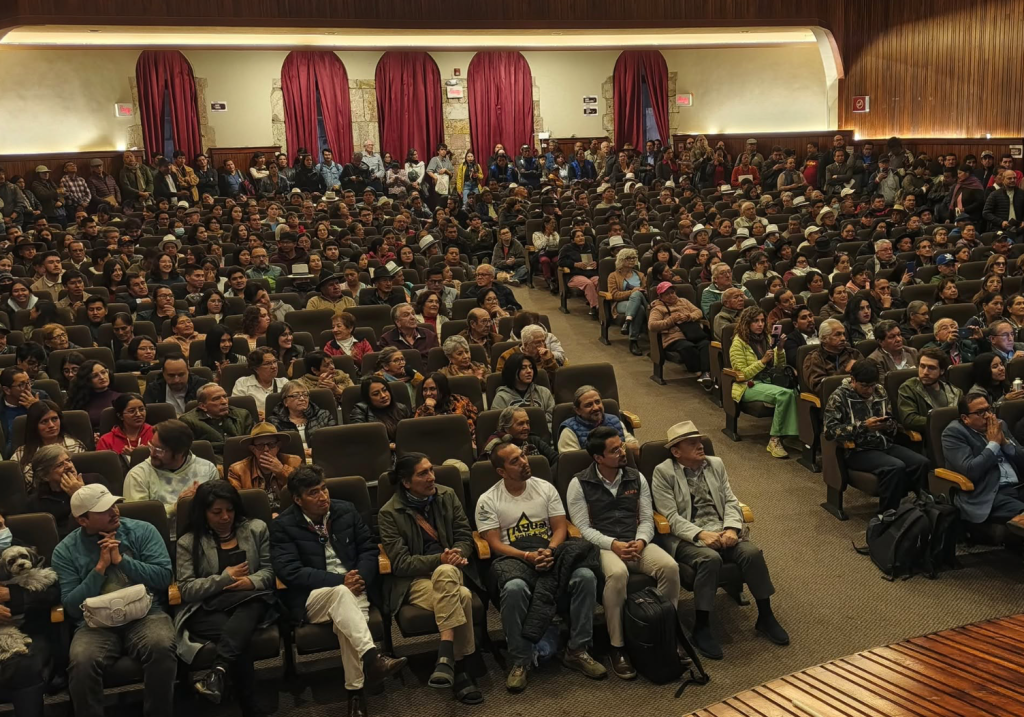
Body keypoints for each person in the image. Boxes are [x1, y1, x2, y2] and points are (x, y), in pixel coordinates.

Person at [270, 465, 407, 716]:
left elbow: (368, 549)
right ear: (298, 500)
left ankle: (356, 691)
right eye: (314, 493)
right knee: (343, 597)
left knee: (347, 623)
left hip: (355, 588)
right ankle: (372, 659)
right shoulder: (284, 525)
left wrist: (359, 578)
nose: (323, 496)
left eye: (324, 489)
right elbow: (289, 571)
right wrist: (339, 580)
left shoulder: (345, 510)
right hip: (313, 597)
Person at [476, 440, 605, 692]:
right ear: (501, 472)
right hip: (513, 559)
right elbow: (493, 543)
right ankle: (520, 660)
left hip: (550, 554)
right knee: (513, 589)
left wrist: (551, 550)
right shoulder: (488, 499)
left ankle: (577, 650)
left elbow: (559, 527)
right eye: (515, 461)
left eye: (522, 456)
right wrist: (526, 556)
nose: (524, 461)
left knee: (585, 576)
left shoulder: (545, 487)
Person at [651, 420, 787, 660]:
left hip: (723, 530)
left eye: (700, 441)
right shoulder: (663, 472)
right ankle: (702, 626)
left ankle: (765, 616)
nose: (700, 446)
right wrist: (701, 534)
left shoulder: (715, 464)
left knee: (752, 553)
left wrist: (732, 529)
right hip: (688, 538)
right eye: (692, 443)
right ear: (676, 451)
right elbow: (670, 517)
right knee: (709, 559)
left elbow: (731, 501)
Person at [52, 484, 176, 717]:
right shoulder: (65, 551)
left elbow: (163, 577)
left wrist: (121, 560)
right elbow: (70, 606)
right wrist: (99, 569)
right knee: (82, 662)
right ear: (83, 520)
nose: (114, 511)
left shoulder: (143, 531)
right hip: (94, 624)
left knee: (160, 645)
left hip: (145, 613)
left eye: (113, 504)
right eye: (103, 509)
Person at [567, 426, 679, 678]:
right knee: (617, 574)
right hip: (603, 547)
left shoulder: (636, 477)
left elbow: (648, 519)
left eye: (621, 446)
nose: (622, 452)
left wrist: (640, 541)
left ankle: (665, 634)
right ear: (598, 458)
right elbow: (583, 529)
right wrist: (613, 544)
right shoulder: (579, 483)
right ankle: (617, 647)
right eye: (614, 450)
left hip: (635, 542)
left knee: (669, 567)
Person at [377, 453, 483, 703]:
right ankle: (460, 667)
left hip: (452, 571)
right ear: (406, 482)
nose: (431, 476)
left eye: (431, 470)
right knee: (463, 596)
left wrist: (457, 554)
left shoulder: (447, 495)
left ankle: (446, 657)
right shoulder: (389, 513)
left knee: (447, 574)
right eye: (423, 473)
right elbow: (401, 563)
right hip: (414, 582)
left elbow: (464, 536)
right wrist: (440, 560)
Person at [174, 480, 276, 716]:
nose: (225, 517)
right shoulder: (188, 542)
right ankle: (249, 706)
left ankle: (218, 672)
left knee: (250, 606)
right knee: (240, 637)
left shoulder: (256, 529)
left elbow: (270, 571)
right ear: (203, 512)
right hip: (208, 609)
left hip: (250, 599)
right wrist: (224, 578)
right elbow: (187, 589)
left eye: (229, 510)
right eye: (217, 512)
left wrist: (250, 581)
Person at [824, 360, 929, 512]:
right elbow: (830, 431)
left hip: (883, 443)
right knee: (895, 466)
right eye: (864, 386)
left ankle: (921, 508)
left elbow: (891, 416)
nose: (869, 390)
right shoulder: (839, 397)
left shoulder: (879, 391)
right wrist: (864, 427)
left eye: (872, 385)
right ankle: (888, 514)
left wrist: (888, 424)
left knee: (921, 462)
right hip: (857, 450)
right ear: (853, 380)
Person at [122, 419, 219, 538]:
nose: (152, 453)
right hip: (157, 539)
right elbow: (137, 522)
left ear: (180, 453)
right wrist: (176, 507)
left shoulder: (206, 469)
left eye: (159, 450)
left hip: (202, 535)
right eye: (151, 446)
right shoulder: (138, 475)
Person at [945, 393, 1024, 529]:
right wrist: (993, 444)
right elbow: (971, 470)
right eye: (980, 412)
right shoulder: (953, 433)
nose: (988, 416)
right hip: (988, 493)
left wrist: (1005, 443)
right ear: (965, 418)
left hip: (1018, 487)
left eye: (989, 409)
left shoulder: (1000, 425)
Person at [649, 281, 713, 386]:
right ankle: (698, 372)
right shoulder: (658, 308)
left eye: (672, 292)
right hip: (674, 338)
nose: (671, 295)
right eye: (667, 294)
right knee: (688, 347)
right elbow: (652, 325)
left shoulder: (683, 301)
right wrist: (671, 320)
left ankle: (705, 373)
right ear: (660, 297)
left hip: (691, 334)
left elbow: (698, 312)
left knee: (705, 344)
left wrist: (688, 316)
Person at [12, 399, 87, 489]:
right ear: (34, 426)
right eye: (44, 421)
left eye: (54, 419)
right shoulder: (21, 454)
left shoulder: (76, 447)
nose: (51, 425)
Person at [180, 383, 255, 464]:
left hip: (243, 461)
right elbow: (189, 453)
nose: (224, 402)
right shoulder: (189, 421)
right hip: (210, 463)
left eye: (225, 397)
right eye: (216, 399)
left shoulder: (243, 415)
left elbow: (253, 442)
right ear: (203, 406)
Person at [896, 348, 964, 435]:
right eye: (922, 366)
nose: (925, 372)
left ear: (942, 371)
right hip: (929, 437)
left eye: (931, 368)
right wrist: (943, 421)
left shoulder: (955, 392)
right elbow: (910, 420)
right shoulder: (908, 388)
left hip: (956, 435)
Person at [557, 385, 639, 455]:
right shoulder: (569, 431)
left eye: (597, 402)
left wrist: (616, 447)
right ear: (578, 410)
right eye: (589, 405)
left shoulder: (614, 421)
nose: (596, 408)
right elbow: (570, 464)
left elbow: (635, 448)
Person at [269, 380, 336, 457]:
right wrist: (300, 454)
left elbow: (334, 441)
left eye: (305, 395)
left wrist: (317, 451)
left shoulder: (324, 415)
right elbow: (274, 449)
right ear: (285, 402)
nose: (302, 398)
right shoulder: (275, 422)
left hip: (322, 458)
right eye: (296, 395)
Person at [349, 377, 413, 458]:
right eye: (376, 394)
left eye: (385, 390)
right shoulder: (361, 410)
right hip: (376, 457)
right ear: (368, 398)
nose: (383, 395)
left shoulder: (401, 408)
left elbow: (411, 434)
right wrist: (386, 446)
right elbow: (359, 439)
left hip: (405, 453)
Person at [413, 373, 479, 450]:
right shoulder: (422, 410)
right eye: (425, 390)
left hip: (462, 446)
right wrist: (429, 408)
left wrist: (473, 442)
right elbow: (420, 434)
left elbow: (477, 424)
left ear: (442, 389)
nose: (428, 393)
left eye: (432, 389)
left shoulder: (461, 402)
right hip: (434, 448)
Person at [803, 319, 864, 393]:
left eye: (843, 334)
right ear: (824, 338)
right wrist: (844, 371)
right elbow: (820, 388)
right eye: (837, 334)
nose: (843, 338)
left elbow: (868, 378)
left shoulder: (854, 353)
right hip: (832, 401)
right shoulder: (814, 358)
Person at [232, 347, 288, 421]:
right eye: (267, 363)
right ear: (256, 368)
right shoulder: (243, 383)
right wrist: (254, 415)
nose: (274, 366)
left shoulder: (284, 383)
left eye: (275, 362)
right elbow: (236, 410)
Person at [142, 356, 210, 416]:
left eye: (181, 375)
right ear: (163, 373)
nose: (176, 380)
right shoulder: (154, 389)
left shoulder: (202, 386)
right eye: (171, 375)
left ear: (188, 371)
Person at [65, 359, 121, 432]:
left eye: (103, 372)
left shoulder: (120, 397)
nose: (102, 377)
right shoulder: (78, 400)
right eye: (95, 376)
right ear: (86, 380)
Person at [96, 392, 153, 460]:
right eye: (132, 411)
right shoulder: (106, 441)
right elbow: (103, 467)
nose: (138, 414)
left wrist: (142, 455)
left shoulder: (156, 434)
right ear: (120, 416)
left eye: (141, 409)